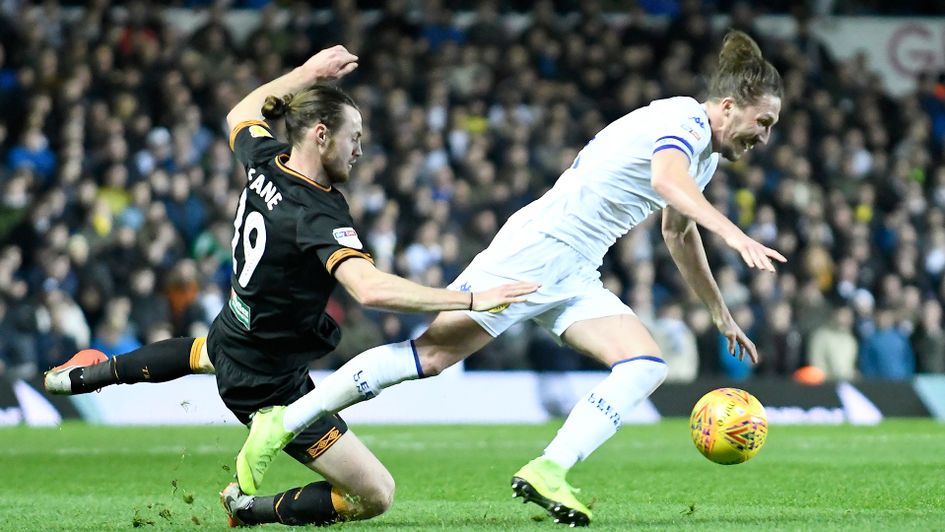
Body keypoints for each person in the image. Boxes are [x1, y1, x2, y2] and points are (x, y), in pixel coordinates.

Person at [235, 31, 785, 527]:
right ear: (729, 106)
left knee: (644, 365)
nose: (765, 136)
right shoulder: (682, 122)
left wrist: (719, 311)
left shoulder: (704, 156)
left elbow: (678, 233)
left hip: (574, 268)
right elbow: (666, 180)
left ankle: (549, 470)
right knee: (430, 357)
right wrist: (736, 235)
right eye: (763, 122)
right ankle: (284, 421)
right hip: (538, 249)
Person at [44, 45, 537, 528]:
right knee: (374, 494)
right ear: (321, 135)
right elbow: (368, 289)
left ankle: (85, 375)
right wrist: (473, 299)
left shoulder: (264, 158)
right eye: (355, 138)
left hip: (239, 333)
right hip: (270, 385)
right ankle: (247, 508)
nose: (360, 151)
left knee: (205, 352)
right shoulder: (318, 212)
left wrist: (305, 72)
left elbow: (241, 111)